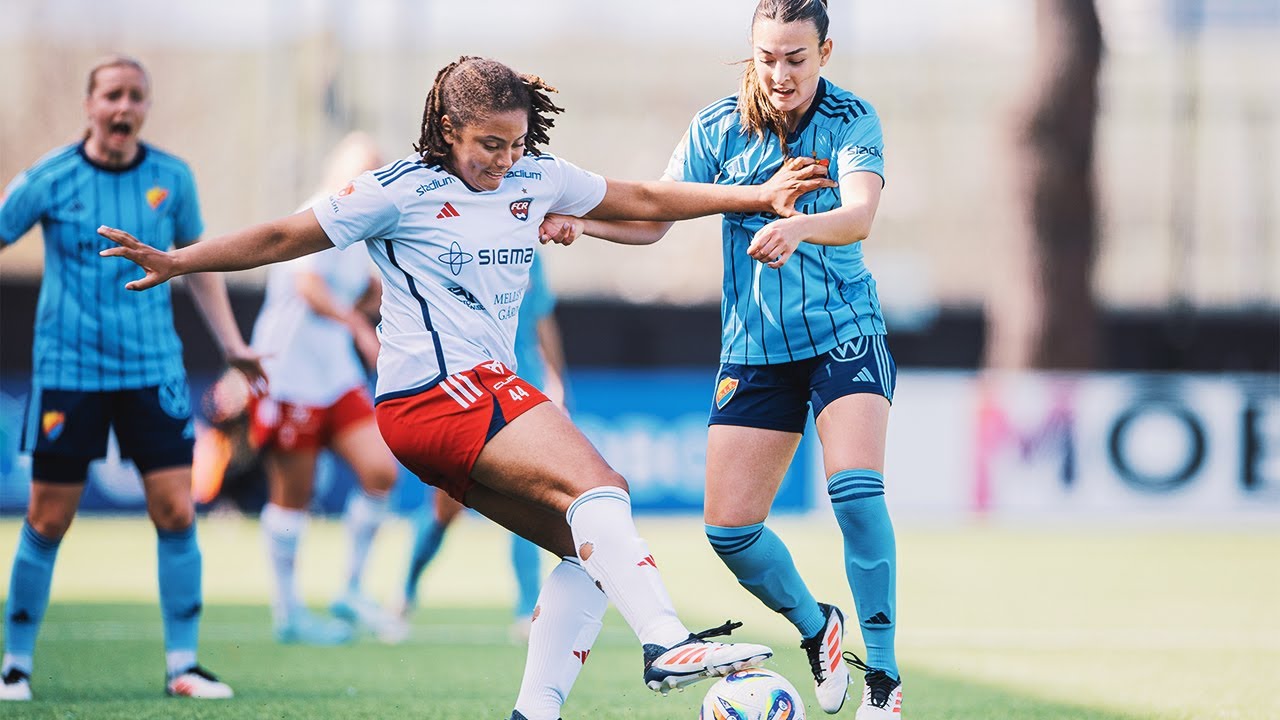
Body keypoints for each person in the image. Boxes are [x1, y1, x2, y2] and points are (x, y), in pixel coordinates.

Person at [98, 55, 834, 720]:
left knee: (590, 551)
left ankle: (534, 713)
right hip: (434, 392)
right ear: (448, 130)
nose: (505, 160)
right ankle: (667, 641)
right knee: (602, 489)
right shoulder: (399, 190)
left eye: (516, 143)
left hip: (471, 396)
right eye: (490, 144)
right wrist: (182, 260)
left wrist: (754, 196)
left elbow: (644, 197)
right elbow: (286, 237)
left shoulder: (537, 176)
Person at [541, 2, 903, 717]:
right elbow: (656, 216)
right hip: (756, 348)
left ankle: (884, 683)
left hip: (845, 333)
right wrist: (584, 223)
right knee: (730, 531)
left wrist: (800, 228)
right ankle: (818, 626)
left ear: (825, 53)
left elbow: (860, 215)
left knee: (856, 492)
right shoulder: (717, 127)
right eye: (767, 57)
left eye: (796, 58)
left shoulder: (852, 119)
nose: (780, 73)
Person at [0, 55, 261, 701]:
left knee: (176, 510)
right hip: (69, 374)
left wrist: (233, 346)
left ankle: (183, 667)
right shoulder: (50, 177)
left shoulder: (172, 177)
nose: (124, 107)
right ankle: (15, 667)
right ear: (90, 105)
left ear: (146, 107)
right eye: (113, 95)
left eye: (136, 96)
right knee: (47, 518)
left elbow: (197, 264)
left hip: (152, 371)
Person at [246, 132, 401, 645]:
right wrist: (357, 326)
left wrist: (382, 296)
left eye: (377, 171)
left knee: (381, 471)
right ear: (338, 172)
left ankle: (351, 589)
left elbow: (364, 290)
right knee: (294, 495)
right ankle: (288, 610)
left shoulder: (362, 231)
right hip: (289, 372)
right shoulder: (317, 212)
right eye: (362, 169)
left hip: (333, 373)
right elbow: (307, 285)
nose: (369, 179)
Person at [398, 249, 565, 643]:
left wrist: (557, 380)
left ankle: (527, 610)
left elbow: (542, 320)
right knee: (446, 506)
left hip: (523, 388)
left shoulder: (529, 251)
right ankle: (404, 592)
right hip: (469, 388)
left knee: (529, 497)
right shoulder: (460, 242)